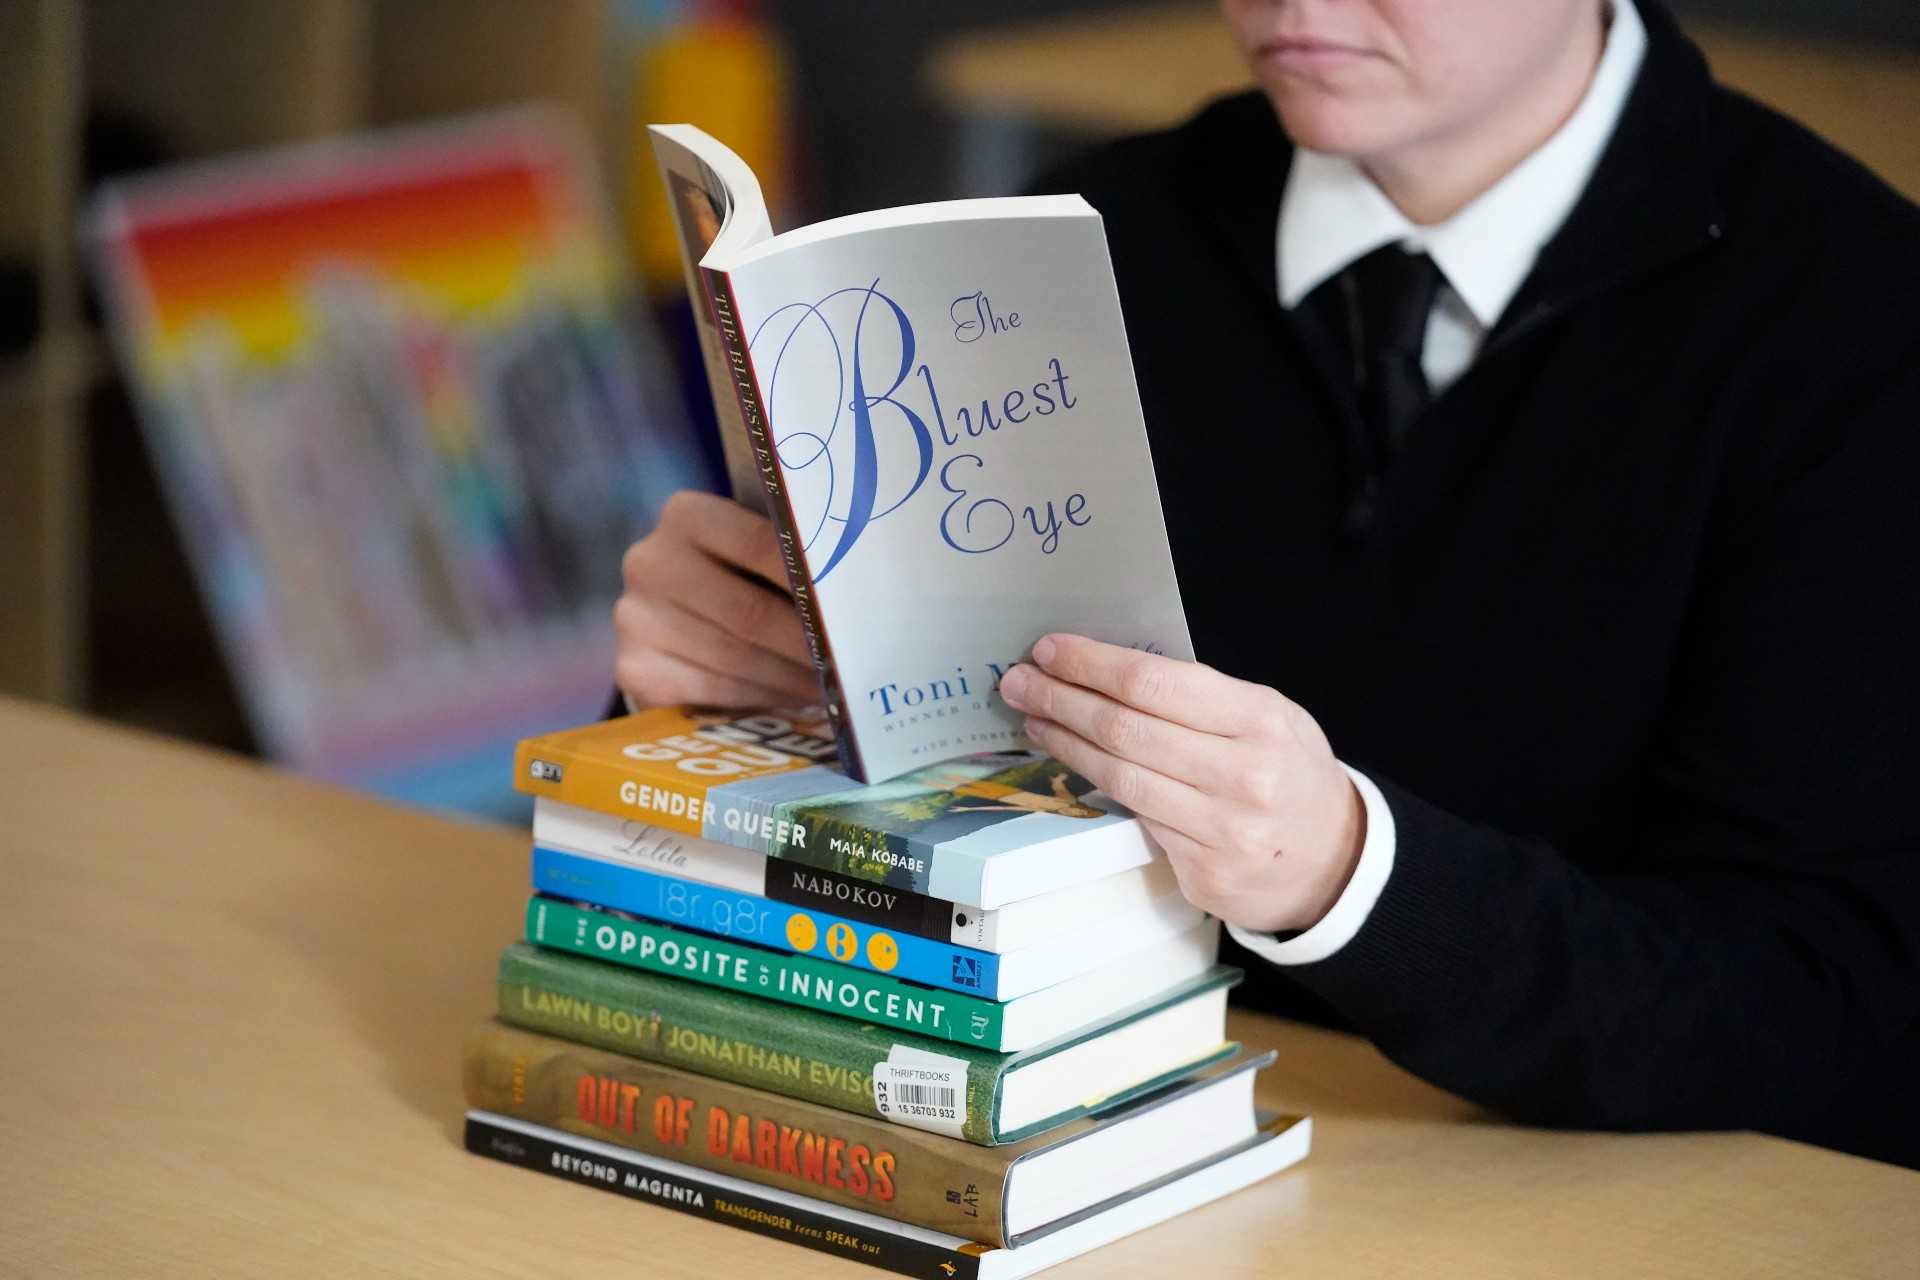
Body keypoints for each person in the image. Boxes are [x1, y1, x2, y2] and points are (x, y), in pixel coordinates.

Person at [613, 0, 1920, 1168]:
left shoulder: (1855, 324)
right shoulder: (1081, 247)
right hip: (1086, 1146)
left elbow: (1828, 998)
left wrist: (1350, 877)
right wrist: (714, 697)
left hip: (1578, 1196)